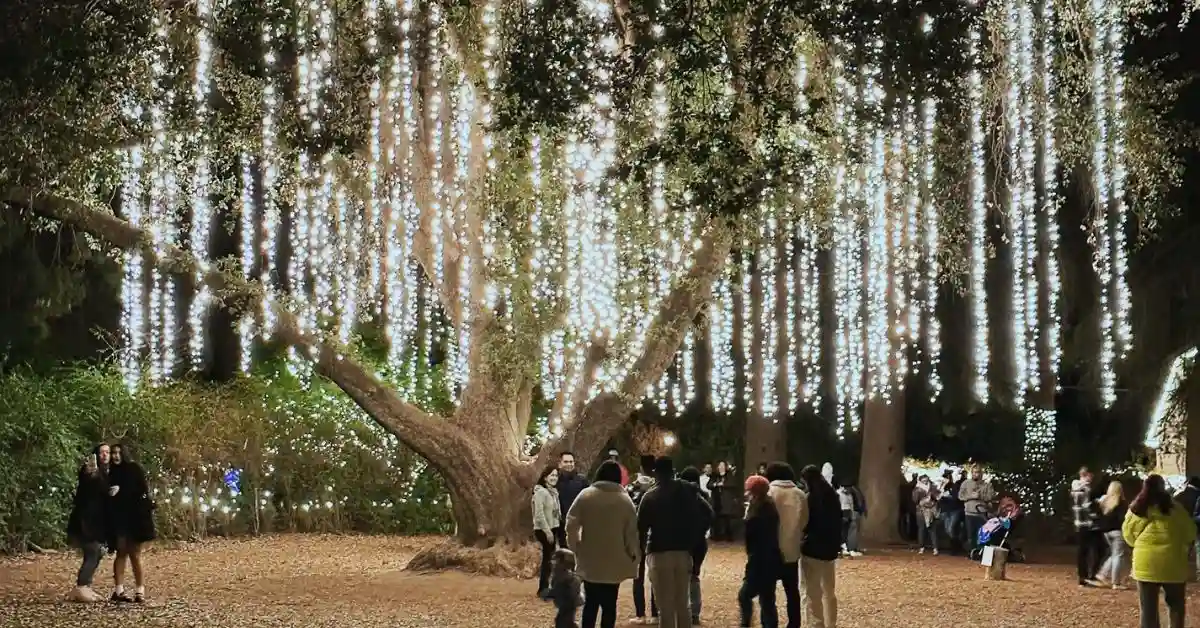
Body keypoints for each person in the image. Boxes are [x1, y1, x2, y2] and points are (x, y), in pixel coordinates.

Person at [637, 457, 712, 628]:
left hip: (659, 551)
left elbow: (640, 527)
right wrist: (695, 537)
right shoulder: (689, 491)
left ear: (656, 473)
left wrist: (641, 549)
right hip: (684, 551)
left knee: (665, 606)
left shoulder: (650, 496)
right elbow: (708, 513)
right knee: (682, 603)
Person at [565, 460, 640, 628]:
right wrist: (632, 554)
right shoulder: (625, 501)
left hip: (590, 557)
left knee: (590, 604)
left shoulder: (586, 495)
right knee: (610, 605)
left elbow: (571, 524)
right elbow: (631, 534)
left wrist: (575, 545)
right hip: (615, 558)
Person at [1124, 474, 1197, 628]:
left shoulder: (1137, 509)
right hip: (1173, 563)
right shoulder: (1176, 509)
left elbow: (1128, 535)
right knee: (1176, 606)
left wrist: (1138, 545)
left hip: (1146, 563)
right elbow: (1190, 532)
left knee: (1148, 610)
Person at [107, 443, 155, 603]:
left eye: (119, 453)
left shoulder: (134, 469)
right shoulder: (110, 472)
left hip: (135, 517)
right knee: (120, 552)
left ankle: (140, 590)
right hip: (119, 518)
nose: (115, 456)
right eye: (113, 453)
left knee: (135, 554)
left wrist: (122, 491)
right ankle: (119, 589)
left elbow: (142, 491)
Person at [66, 445, 110, 602]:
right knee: (93, 551)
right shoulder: (91, 469)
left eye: (107, 452)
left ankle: (85, 586)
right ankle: (81, 587)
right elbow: (88, 482)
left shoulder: (107, 472)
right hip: (85, 520)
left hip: (97, 521)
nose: (105, 455)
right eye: (102, 452)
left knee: (97, 552)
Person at [766, 462, 807, 628]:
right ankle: (794, 624)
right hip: (792, 550)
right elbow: (804, 521)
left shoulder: (769, 492)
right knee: (792, 591)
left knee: (768, 593)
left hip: (770, 550)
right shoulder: (800, 494)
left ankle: (770, 624)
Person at [799, 465, 840, 628]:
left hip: (812, 549)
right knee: (829, 591)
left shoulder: (809, 498)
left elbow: (804, 523)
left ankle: (815, 624)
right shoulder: (833, 497)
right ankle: (831, 623)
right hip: (830, 550)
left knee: (811, 591)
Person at [738, 475, 781, 628]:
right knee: (767, 599)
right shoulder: (769, 507)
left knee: (745, 595)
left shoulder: (757, 512)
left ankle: (746, 623)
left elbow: (751, 537)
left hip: (759, 559)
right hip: (771, 558)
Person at [678, 466, 712, 625]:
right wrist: (702, 530)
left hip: (685, 542)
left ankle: (685, 610)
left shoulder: (682, 497)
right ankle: (695, 612)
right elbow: (710, 516)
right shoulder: (702, 496)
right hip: (699, 543)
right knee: (694, 577)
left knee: (683, 577)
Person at [627, 455, 658, 623]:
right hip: (655, 536)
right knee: (655, 575)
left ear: (641, 468)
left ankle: (640, 614)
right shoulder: (658, 487)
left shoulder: (633, 487)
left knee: (637, 577)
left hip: (637, 535)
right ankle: (655, 613)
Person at [533, 465, 563, 599]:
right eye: (552, 475)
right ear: (545, 477)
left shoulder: (553, 492)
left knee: (550, 559)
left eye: (556, 476)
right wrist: (547, 531)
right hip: (544, 529)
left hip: (553, 527)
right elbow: (539, 514)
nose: (554, 478)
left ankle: (547, 587)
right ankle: (543, 589)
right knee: (547, 559)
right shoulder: (541, 492)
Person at [1071, 467, 1104, 586]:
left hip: (1080, 523)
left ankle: (1084, 576)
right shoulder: (1084, 488)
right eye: (1090, 476)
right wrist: (1098, 507)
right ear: (1086, 475)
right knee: (1093, 549)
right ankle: (1087, 576)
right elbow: (1086, 507)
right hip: (1086, 524)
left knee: (1083, 550)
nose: (1091, 479)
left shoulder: (1078, 487)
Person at [1095, 480, 1129, 589]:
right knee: (1118, 556)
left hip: (1106, 532)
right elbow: (1123, 518)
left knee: (1114, 554)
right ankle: (1116, 582)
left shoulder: (1105, 501)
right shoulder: (1121, 502)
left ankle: (1102, 574)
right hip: (1117, 531)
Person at [958, 466, 995, 558]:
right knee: (971, 535)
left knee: (984, 535)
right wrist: (970, 496)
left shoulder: (987, 485)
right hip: (969, 512)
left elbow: (991, 497)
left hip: (981, 513)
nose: (975, 474)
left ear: (981, 474)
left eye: (977, 472)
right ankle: (972, 554)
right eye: (974, 472)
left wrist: (980, 497)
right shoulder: (965, 483)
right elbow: (960, 496)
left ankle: (986, 556)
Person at [556, 452, 590, 547]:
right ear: (560, 464)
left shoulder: (582, 480)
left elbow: (589, 500)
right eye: (566, 462)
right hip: (561, 524)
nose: (569, 464)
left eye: (571, 462)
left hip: (579, 524)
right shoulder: (554, 481)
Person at [551, 548, 584, 628]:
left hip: (569, 605)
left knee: (563, 621)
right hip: (564, 605)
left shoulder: (569, 577)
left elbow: (575, 588)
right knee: (563, 621)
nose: (555, 564)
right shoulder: (559, 576)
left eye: (558, 562)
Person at [707, 461, 739, 542]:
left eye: (723, 465)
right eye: (720, 465)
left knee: (727, 519)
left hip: (726, 500)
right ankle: (716, 536)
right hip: (717, 500)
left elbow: (733, 484)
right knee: (716, 519)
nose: (721, 467)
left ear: (725, 467)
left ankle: (729, 536)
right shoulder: (715, 476)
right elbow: (709, 485)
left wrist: (723, 485)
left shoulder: (729, 475)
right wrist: (715, 485)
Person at [912, 475, 940, 555]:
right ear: (920, 481)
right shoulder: (917, 489)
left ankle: (935, 548)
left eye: (926, 480)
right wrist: (919, 492)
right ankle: (921, 547)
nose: (925, 482)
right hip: (921, 511)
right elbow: (915, 500)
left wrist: (932, 496)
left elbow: (937, 497)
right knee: (921, 529)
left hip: (931, 510)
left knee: (932, 530)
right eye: (923, 480)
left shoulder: (933, 487)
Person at [938, 470, 964, 553]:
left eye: (947, 477)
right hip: (945, 510)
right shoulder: (940, 487)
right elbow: (937, 497)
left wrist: (947, 496)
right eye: (944, 477)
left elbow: (957, 497)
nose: (945, 479)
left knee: (951, 528)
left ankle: (955, 547)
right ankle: (957, 544)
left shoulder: (955, 486)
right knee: (947, 529)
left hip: (954, 509)